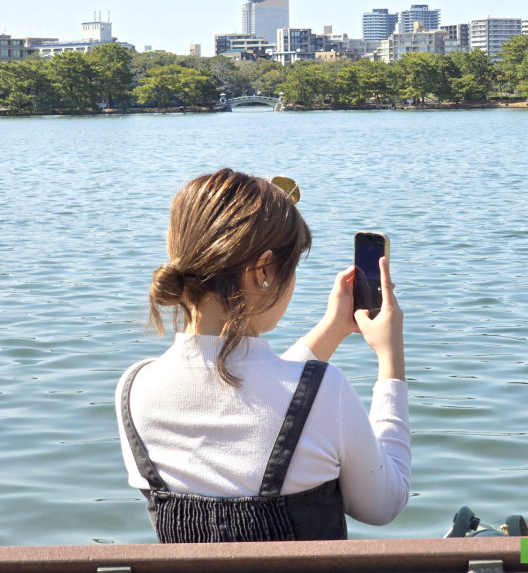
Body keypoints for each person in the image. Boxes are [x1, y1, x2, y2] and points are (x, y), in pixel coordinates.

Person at [115, 168, 410, 543]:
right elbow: (385, 503)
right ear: (263, 270)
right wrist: (391, 361)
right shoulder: (327, 391)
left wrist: (333, 328)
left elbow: (261, 392)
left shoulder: (134, 388)